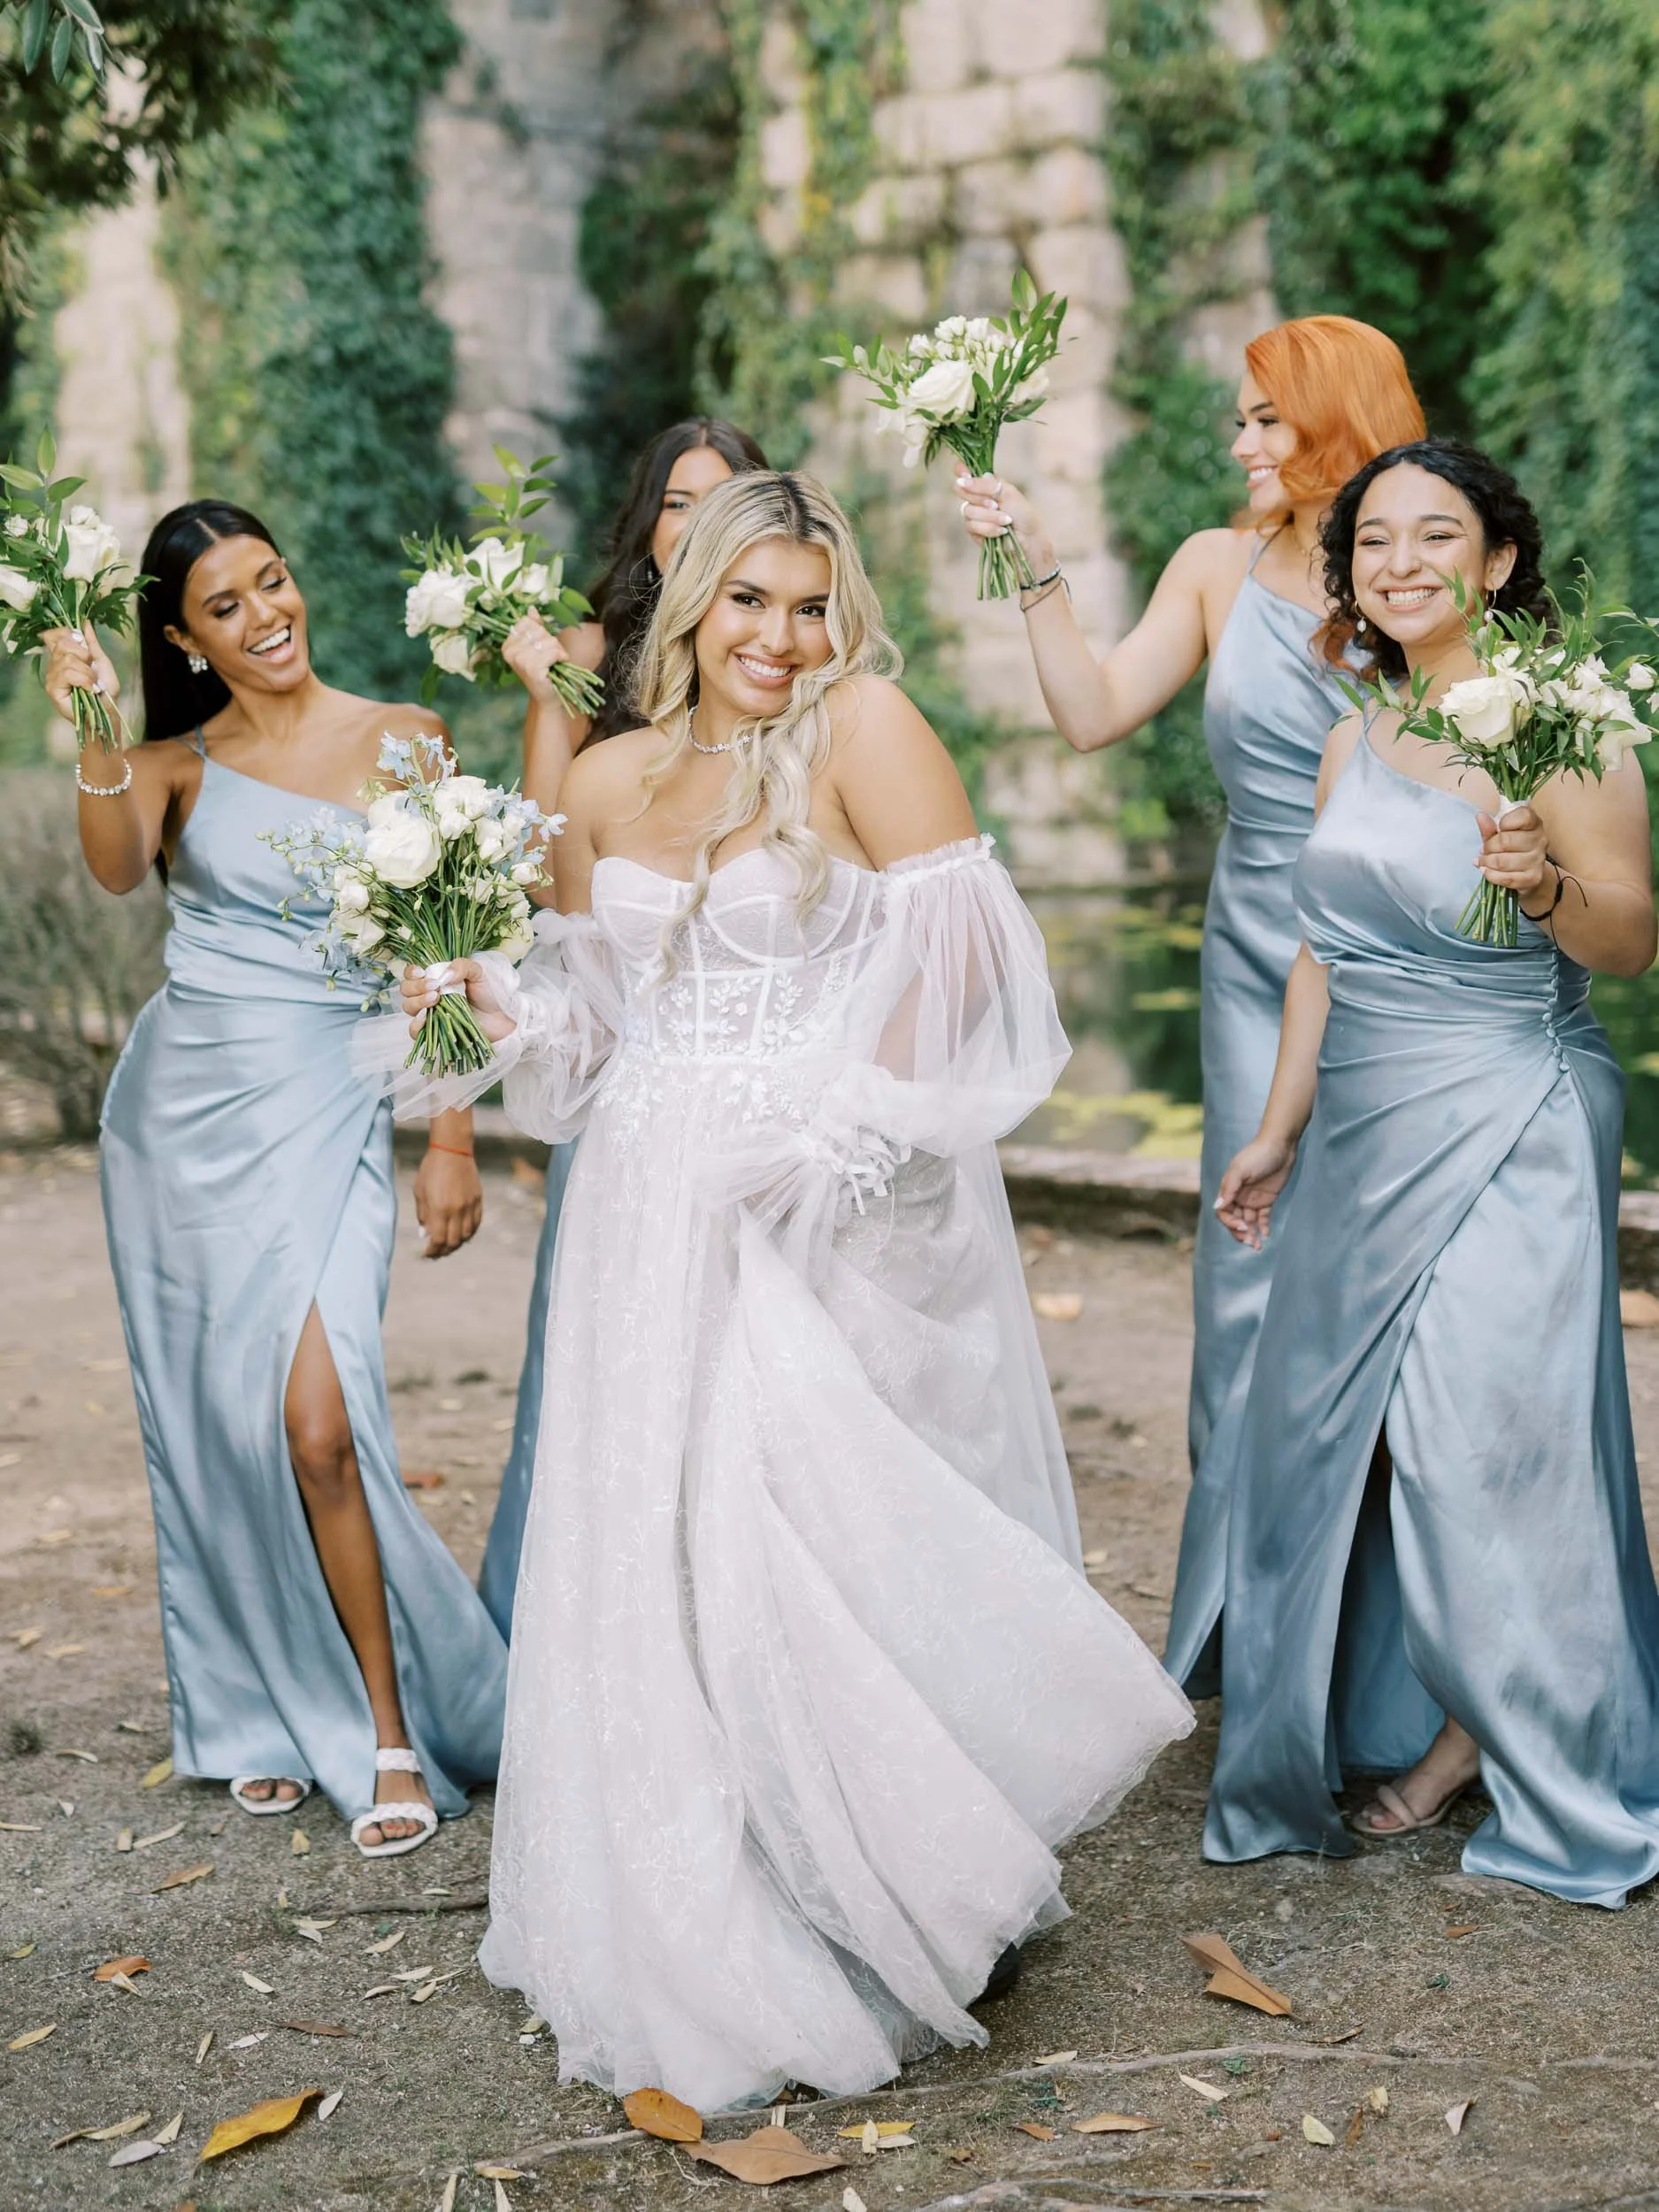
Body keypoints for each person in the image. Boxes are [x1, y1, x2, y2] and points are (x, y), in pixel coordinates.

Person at [389, 471, 1193, 2107]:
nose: (783, 636)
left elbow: (971, 967)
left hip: (812, 1197)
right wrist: (478, 1002)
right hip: (637, 1208)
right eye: (749, 600)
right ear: (687, 602)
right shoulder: (606, 777)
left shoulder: (863, 731)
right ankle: (706, 1885)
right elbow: (592, 1035)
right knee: (659, 1540)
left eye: (811, 603)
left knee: (810, 1535)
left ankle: (884, 1885)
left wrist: (834, 1148)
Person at [1204, 441, 1659, 1906]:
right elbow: (1319, 956)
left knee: (1486, 1440)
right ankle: (1413, 1704)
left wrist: (1541, 882)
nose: (1400, 564)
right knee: (1353, 1438)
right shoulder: (1355, 740)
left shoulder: (1561, 730)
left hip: (1510, 1106)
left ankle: (1501, 1732)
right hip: (1363, 1127)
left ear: (1499, 561)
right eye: (1374, 543)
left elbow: (1627, 939)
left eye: (1435, 536)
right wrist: (1274, 1129)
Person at [956, 317, 1425, 1693]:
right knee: (1246, 1282)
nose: (1238, 444)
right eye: (1240, 419)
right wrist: (1032, 565)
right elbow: (1094, 712)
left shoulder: (1412, 577)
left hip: (1388, 953)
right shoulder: (1214, 569)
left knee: (1385, 1287)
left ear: (1334, 424)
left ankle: (1395, 1660)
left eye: (1263, 421)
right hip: (1243, 952)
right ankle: (1251, 1630)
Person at [49, 500, 506, 1856]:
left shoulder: (406, 740)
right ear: (184, 640)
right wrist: (86, 719)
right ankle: (252, 1710)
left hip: (329, 1106)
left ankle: (388, 1728)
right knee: (221, 1424)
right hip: (181, 1119)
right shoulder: (173, 763)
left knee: (319, 1421)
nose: (268, 616)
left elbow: (454, 939)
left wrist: (453, 1133)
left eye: (274, 581)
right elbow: (118, 868)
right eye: (227, 607)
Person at [479, 419, 767, 1635]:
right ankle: (568, 1626)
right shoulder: (595, 651)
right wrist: (552, 697)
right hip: (615, 1022)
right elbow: (553, 868)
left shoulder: (771, 650)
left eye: (724, 500)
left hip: (749, 1021)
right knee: (602, 1334)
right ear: (646, 521)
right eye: (676, 502)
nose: (696, 522)